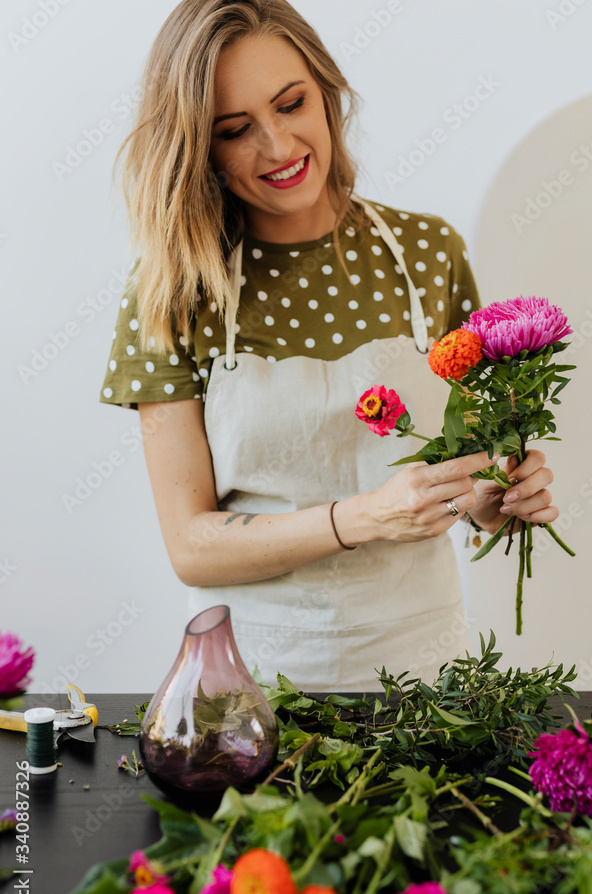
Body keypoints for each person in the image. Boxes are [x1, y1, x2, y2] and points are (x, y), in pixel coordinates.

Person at [99, 0, 558, 692]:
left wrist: (499, 501)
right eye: (235, 130)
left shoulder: (427, 255)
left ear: (327, 92)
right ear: (200, 149)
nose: (278, 147)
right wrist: (365, 517)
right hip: (251, 686)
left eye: (291, 104)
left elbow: (464, 472)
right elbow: (191, 547)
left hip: (426, 680)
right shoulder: (173, 291)